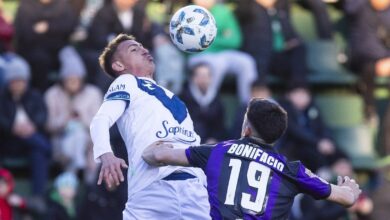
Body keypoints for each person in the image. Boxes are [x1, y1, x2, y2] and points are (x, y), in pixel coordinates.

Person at [143, 98, 362, 219]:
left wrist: (156, 144)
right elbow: (346, 198)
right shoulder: (292, 171)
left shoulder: (216, 151)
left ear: (246, 129)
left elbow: (157, 155)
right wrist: (349, 189)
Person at [89, 34, 210, 219]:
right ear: (119, 66)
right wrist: (105, 154)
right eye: (134, 49)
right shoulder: (127, 82)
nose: (144, 50)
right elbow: (101, 119)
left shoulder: (175, 98)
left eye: (142, 46)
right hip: (153, 187)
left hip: (193, 188)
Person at [45, 46, 102, 182]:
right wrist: (65, 118)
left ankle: (90, 188)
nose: (73, 84)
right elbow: (49, 126)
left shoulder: (93, 93)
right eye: (69, 80)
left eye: (76, 80)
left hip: (90, 141)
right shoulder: (52, 94)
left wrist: (81, 117)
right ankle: (70, 184)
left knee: (94, 151)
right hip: (62, 140)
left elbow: (99, 126)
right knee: (72, 143)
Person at [0, 54, 51, 197]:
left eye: (20, 81)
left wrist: (32, 126)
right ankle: (47, 148)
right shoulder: (2, 98)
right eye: (13, 81)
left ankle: (38, 196)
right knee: (41, 145)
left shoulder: (34, 96)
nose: (17, 85)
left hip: (31, 138)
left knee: (38, 153)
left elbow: (42, 115)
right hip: (10, 140)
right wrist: (12, 128)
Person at [189, 0, 257, 103]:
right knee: (218, 63)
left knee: (247, 62)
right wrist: (221, 37)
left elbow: (235, 40)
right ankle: (206, 104)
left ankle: (247, 105)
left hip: (223, 54)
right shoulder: (188, 12)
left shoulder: (223, 11)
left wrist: (207, 40)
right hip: (198, 55)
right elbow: (190, 43)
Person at [236, 0, 308, 88]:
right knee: (262, 47)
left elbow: (293, 36)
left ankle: (298, 89)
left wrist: (290, 43)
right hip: (257, 57)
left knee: (299, 49)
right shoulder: (248, 10)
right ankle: (259, 87)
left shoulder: (279, 12)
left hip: (277, 57)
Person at [14, 0, 78, 91]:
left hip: (58, 49)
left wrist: (48, 27)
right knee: (41, 60)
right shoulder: (26, 6)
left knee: (73, 61)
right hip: (33, 50)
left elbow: (70, 25)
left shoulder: (62, 5)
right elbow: (25, 33)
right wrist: (55, 31)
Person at [180, 63, 226, 143]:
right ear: (193, 78)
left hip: (210, 143)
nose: (203, 79)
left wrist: (214, 138)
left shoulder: (216, 98)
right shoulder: (183, 97)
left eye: (206, 76)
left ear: (211, 78)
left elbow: (220, 125)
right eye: (200, 75)